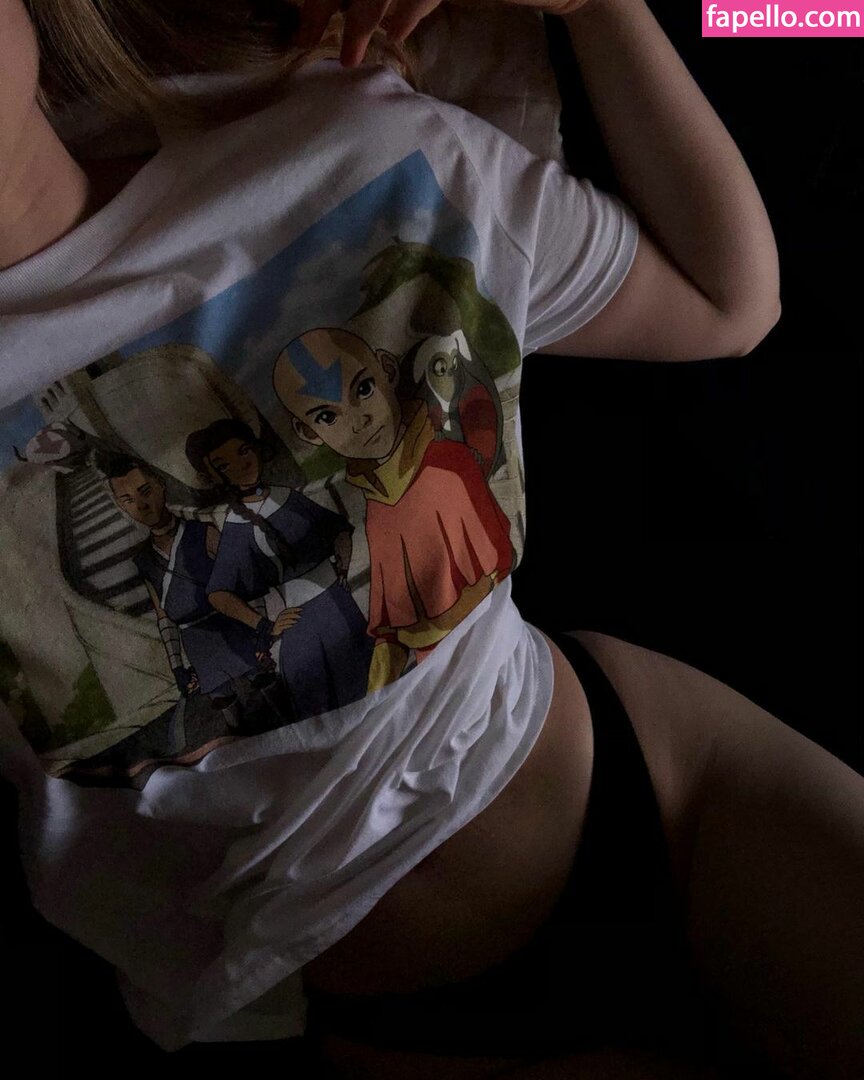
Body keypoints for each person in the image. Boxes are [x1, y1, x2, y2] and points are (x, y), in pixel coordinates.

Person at [0, 3, 861, 1080]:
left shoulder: (355, 149)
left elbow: (729, 301)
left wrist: (600, 10)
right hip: (414, 1001)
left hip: (664, 779)